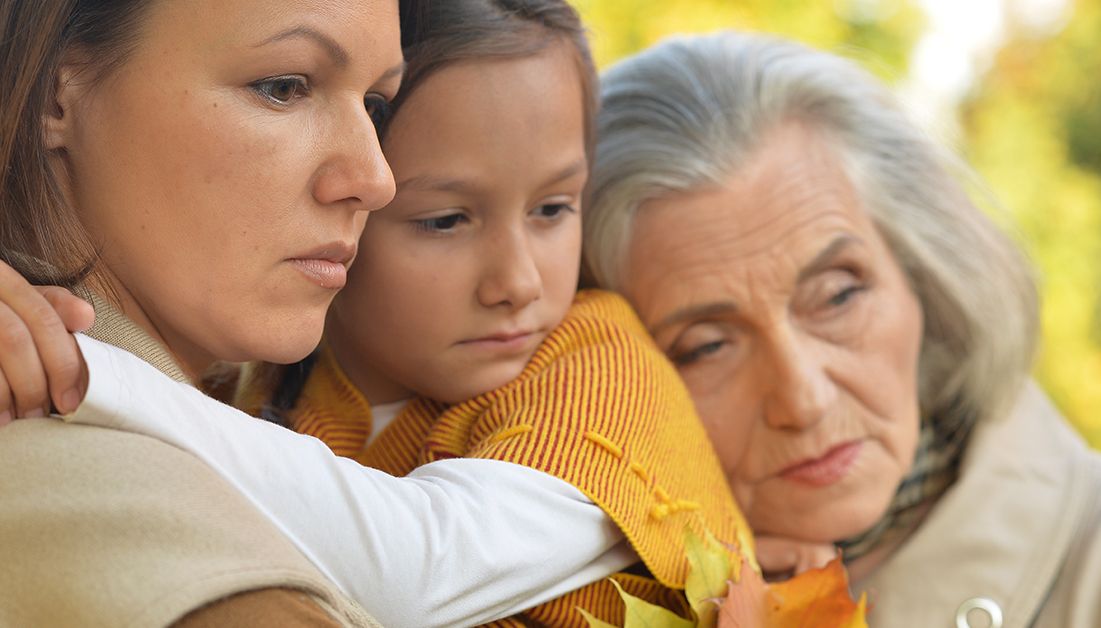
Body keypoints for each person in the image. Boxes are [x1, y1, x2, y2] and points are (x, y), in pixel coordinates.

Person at [0, 1, 663, 626]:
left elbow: (427, 556)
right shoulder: (140, 520)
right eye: (284, 86)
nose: (376, 178)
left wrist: (96, 372)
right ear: (57, 93)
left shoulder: (595, 369)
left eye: (376, 104)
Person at [579, 32, 1101, 627]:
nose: (804, 399)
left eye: (838, 295)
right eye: (707, 347)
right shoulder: (551, 596)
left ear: (922, 274)